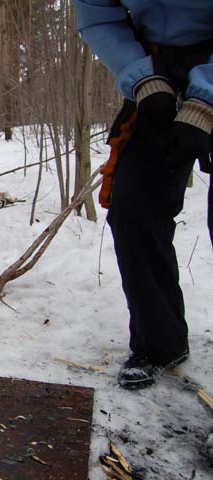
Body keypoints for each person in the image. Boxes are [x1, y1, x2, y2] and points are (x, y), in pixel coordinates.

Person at [74, 1, 213, 389]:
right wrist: (143, 79)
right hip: (156, 70)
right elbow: (99, 16)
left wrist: (207, 98)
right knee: (133, 209)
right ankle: (159, 343)